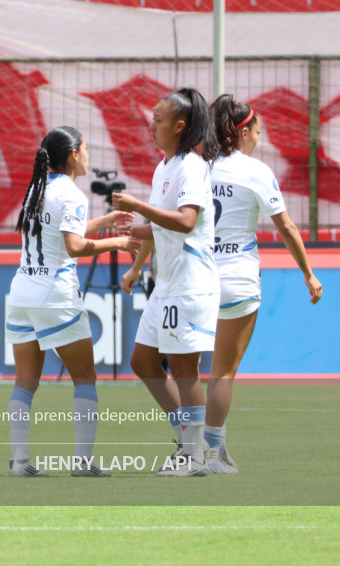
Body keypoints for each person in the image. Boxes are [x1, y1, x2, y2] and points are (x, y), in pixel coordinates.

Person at [4, 126, 139, 478]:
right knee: (85, 378)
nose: (89, 155)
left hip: (21, 292)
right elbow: (74, 246)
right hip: (55, 295)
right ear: (74, 155)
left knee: (25, 382)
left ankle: (19, 461)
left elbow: (62, 230)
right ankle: (82, 462)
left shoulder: (38, 187)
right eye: (86, 149)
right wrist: (118, 243)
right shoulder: (72, 193)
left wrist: (105, 222)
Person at [201, 94, 323, 474]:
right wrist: (308, 272)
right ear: (242, 132)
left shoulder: (197, 168)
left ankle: (192, 448)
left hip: (197, 278)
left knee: (190, 370)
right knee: (222, 372)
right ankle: (211, 453)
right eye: (257, 130)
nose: (259, 137)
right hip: (237, 278)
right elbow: (285, 226)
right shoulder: (255, 171)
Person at [115, 87, 220, 477]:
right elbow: (162, 226)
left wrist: (140, 208)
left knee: (183, 367)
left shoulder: (191, 167)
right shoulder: (164, 166)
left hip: (190, 283)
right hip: (167, 283)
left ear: (179, 126)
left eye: (158, 120)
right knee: (142, 361)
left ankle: (195, 457)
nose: (151, 125)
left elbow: (187, 220)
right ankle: (186, 438)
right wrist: (135, 254)